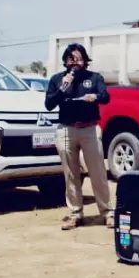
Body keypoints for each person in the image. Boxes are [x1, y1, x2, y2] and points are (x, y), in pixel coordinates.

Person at [44, 43, 114, 230]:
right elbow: (49, 104)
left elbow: (106, 96)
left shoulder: (94, 77)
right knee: (71, 173)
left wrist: (95, 97)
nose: (75, 62)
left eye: (79, 58)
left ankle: (107, 212)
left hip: (89, 129)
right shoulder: (58, 79)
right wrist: (62, 89)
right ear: (66, 61)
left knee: (97, 171)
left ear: (85, 60)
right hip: (66, 129)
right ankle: (75, 213)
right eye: (71, 59)